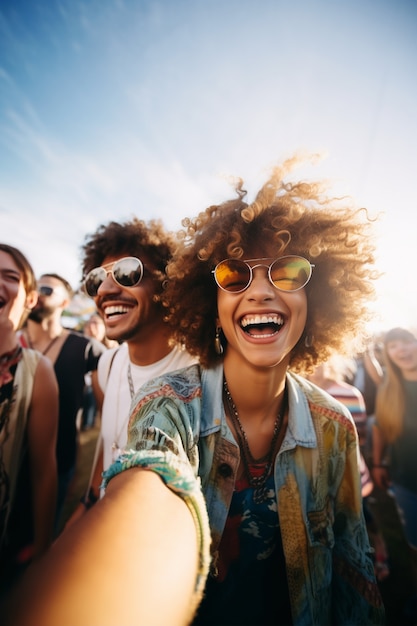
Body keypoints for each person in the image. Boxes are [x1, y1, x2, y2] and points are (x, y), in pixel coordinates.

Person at [2, 155, 385, 626]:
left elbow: (352, 566)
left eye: (287, 272)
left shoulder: (335, 426)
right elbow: (152, 483)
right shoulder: (166, 403)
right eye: (233, 275)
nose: (260, 291)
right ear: (210, 298)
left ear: (320, 295)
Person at [68, 217, 197, 514]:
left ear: (169, 284)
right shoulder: (107, 367)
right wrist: (85, 508)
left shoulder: (202, 372)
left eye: (127, 273)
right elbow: (108, 445)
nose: (105, 291)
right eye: (97, 279)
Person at [18, 273, 106, 527]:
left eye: (46, 290)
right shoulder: (9, 341)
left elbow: (108, 419)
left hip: (58, 467)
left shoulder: (85, 349)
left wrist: (92, 482)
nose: (36, 294)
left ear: (65, 304)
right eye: (34, 288)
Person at [0, 244, 58, 595]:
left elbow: (43, 473)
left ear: (30, 299)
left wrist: (41, 554)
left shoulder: (38, 372)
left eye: (9, 277)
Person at [307, 356, 390, 582]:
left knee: (360, 514)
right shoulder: (292, 393)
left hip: (348, 474)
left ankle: (378, 547)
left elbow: (359, 438)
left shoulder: (349, 393)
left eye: (319, 359)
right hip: (311, 478)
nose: (314, 366)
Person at [372, 327, 417, 550]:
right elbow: (380, 427)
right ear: (388, 353)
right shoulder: (387, 390)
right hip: (405, 482)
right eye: (393, 345)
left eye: (407, 342)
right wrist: (378, 463)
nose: (402, 349)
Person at [81, 314, 117, 431]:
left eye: (95, 323)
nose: (91, 327)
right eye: (88, 324)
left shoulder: (116, 353)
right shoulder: (79, 350)